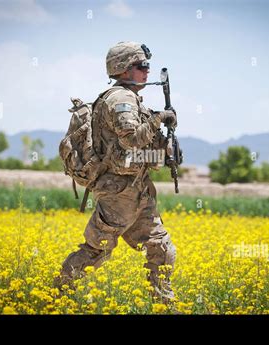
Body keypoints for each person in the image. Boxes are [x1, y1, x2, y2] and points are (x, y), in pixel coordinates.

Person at [54, 41, 177, 304]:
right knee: (97, 250)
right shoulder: (121, 99)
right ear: (123, 69)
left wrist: (166, 152)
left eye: (147, 65)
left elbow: (135, 153)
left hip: (137, 189)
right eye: (141, 65)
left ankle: (164, 306)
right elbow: (131, 140)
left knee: (161, 249)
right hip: (118, 192)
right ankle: (54, 296)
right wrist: (160, 119)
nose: (147, 70)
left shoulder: (131, 99)